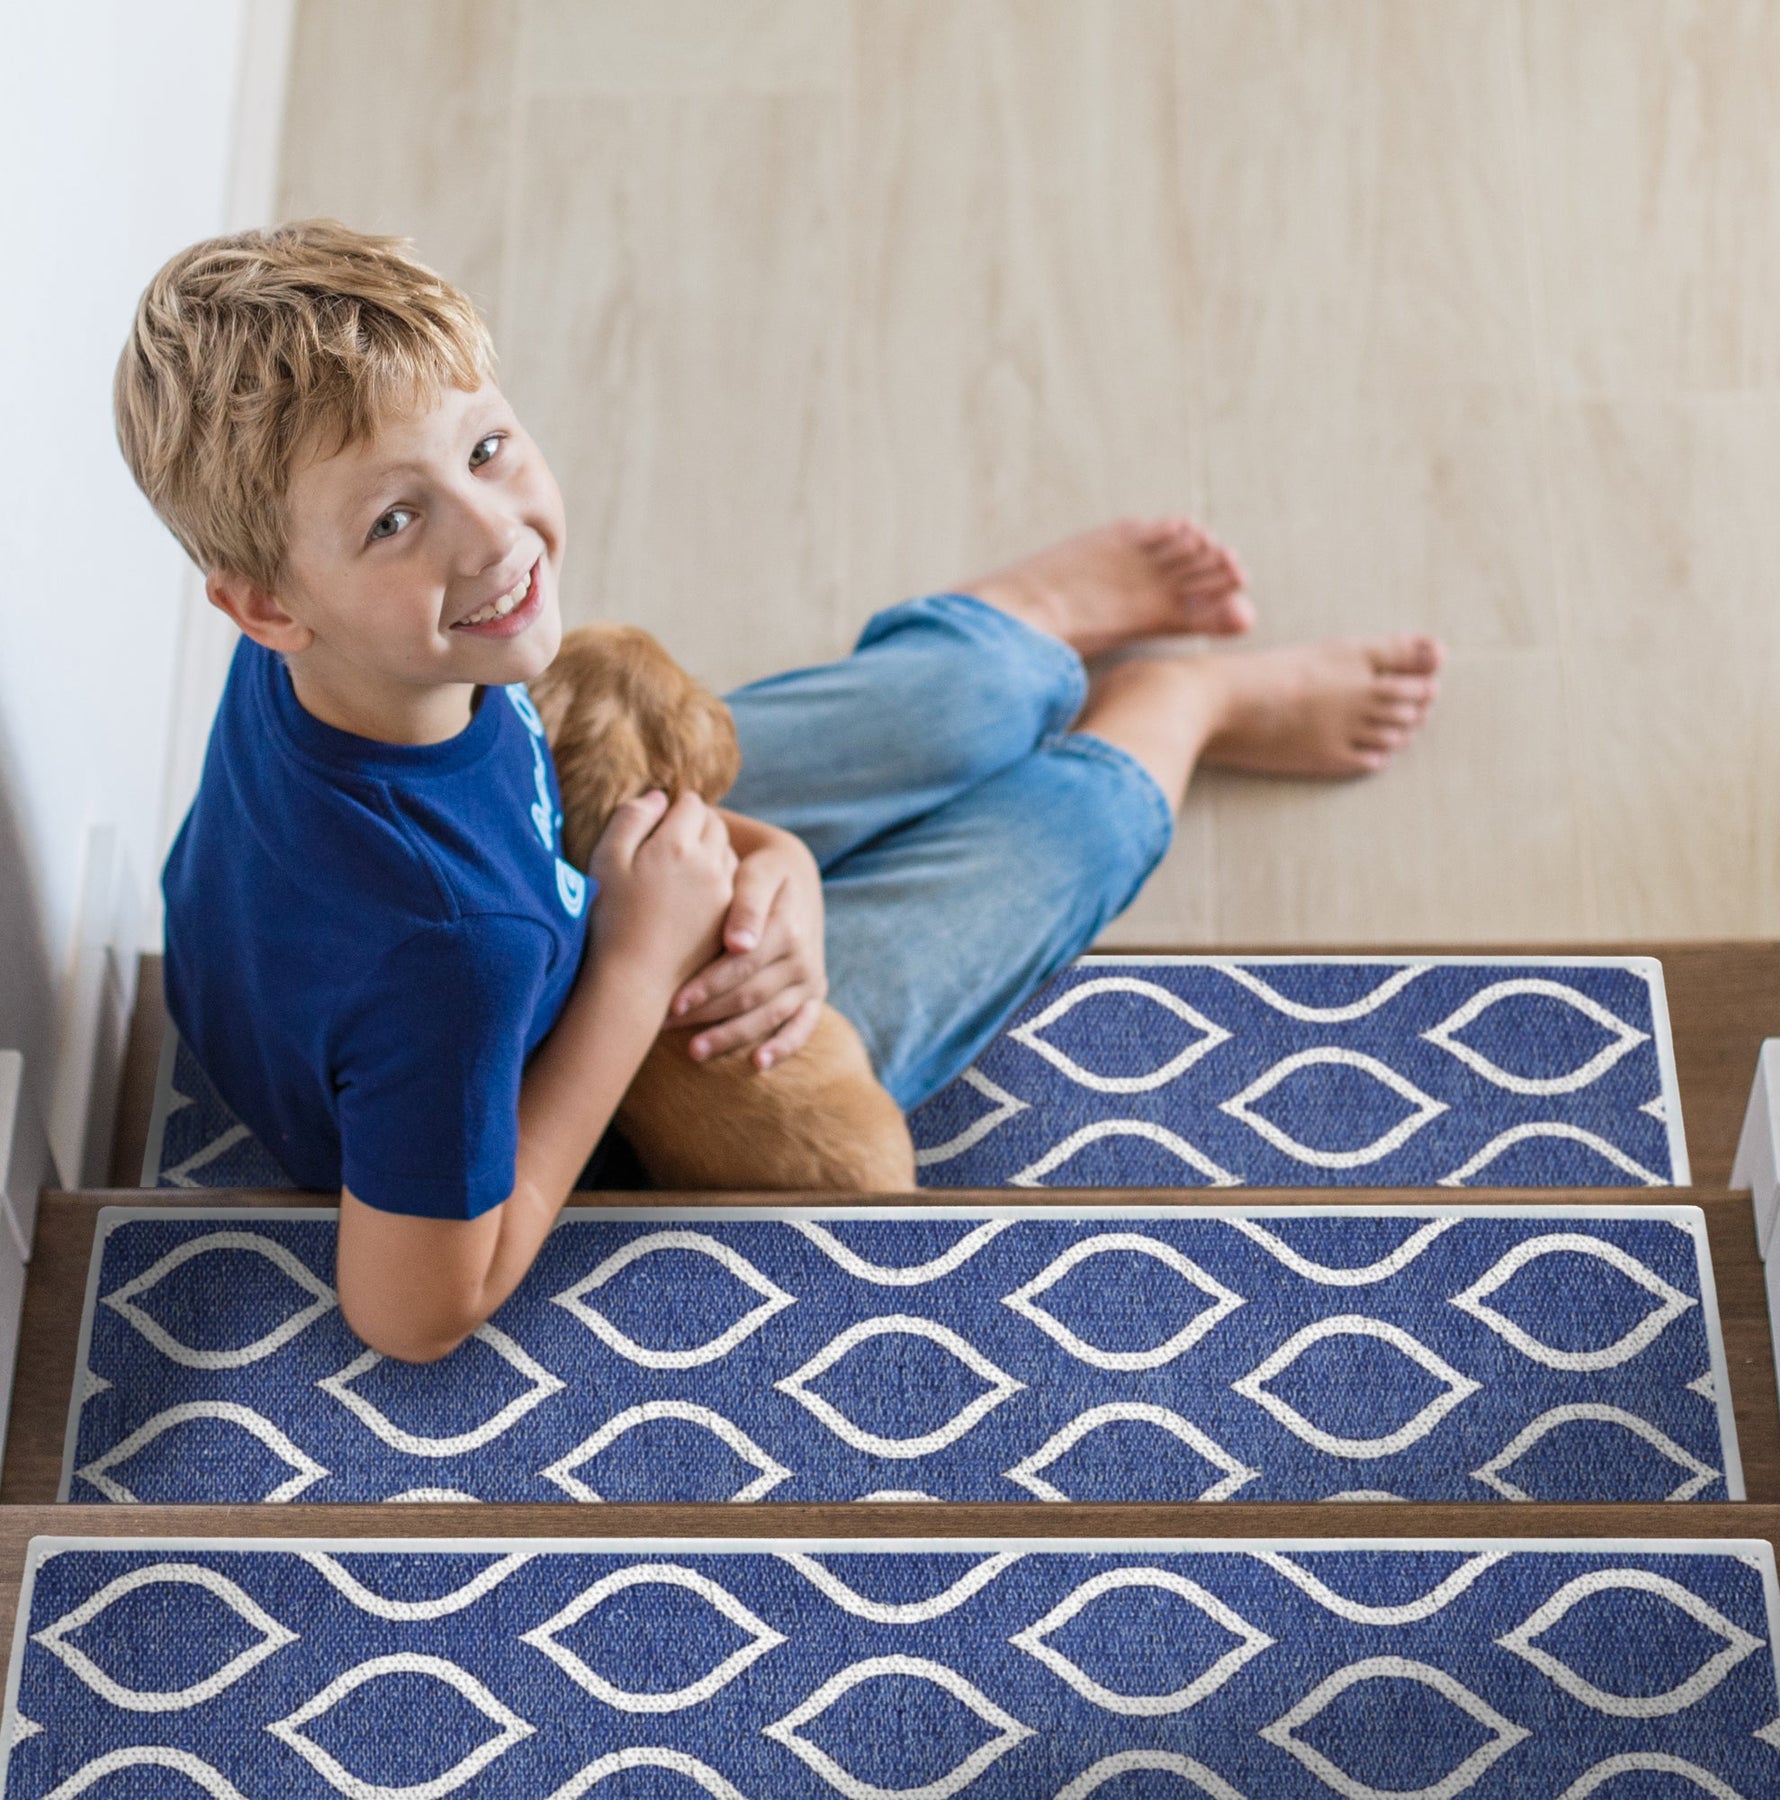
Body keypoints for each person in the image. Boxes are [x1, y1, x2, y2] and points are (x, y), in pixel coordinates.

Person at [117, 220, 1442, 1362]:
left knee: (951, 713)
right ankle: (1178, 709)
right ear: (266, 604)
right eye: (394, 521)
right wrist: (640, 959)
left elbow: (519, 804)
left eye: (487, 449)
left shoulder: (346, 664)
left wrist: (771, 859)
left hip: (558, 881)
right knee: (1060, 832)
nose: (494, 535)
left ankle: (1019, 635)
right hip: (600, 1038)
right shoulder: (453, 952)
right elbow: (412, 1313)